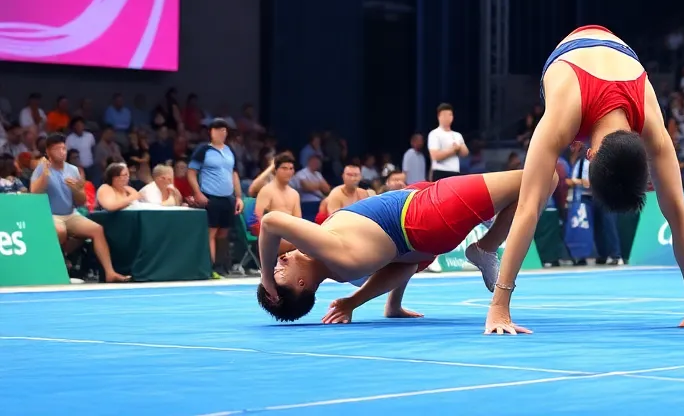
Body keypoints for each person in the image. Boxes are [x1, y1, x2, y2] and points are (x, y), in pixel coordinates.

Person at [484, 25, 684, 335]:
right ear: (591, 155)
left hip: (617, 58)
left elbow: (679, 213)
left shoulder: (652, 130)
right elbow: (528, 208)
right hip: (570, 59)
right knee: (535, 194)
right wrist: (498, 308)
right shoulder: (563, 118)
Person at [256, 171, 534, 323]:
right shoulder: (334, 255)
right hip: (426, 212)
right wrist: (267, 276)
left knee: (530, 185)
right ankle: (486, 247)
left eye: (275, 266)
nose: (280, 261)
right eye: (280, 272)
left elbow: (407, 265)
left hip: (419, 211)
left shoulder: (343, 271)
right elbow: (270, 221)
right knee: (535, 179)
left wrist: (383, 303)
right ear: (302, 284)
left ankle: (486, 237)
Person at [30, 135, 128, 282]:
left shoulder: (73, 170)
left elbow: (81, 201)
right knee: (60, 231)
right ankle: (58, 266)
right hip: (51, 215)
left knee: (97, 229)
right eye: (57, 149)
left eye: (64, 148)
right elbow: (34, 194)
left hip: (71, 214)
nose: (62, 152)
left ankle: (110, 273)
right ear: (48, 152)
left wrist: (76, 189)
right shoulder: (41, 168)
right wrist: (45, 173)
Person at [187, 119, 244, 279]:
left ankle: (221, 266)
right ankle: (210, 267)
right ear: (211, 132)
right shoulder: (203, 150)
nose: (222, 133)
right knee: (211, 231)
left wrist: (239, 197)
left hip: (228, 197)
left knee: (224, 232)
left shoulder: (230, 150)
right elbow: (191, 172)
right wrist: (198, 193)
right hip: (211, 196)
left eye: (224, 130)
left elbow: (234, 174)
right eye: (218, 129)